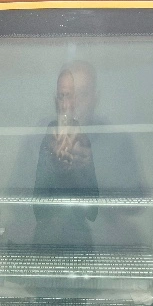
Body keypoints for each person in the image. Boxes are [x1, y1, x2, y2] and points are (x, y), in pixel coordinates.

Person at [33, 62, 100, 246]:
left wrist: (81, 169)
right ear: (56, 101)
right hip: (47, 242)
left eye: (73, 96)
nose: (67, 105)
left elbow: (93, 212)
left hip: (79, 242)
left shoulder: (91, 139)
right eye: (63, 96)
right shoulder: (47, 137)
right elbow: (38, 210)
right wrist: (53, 163)